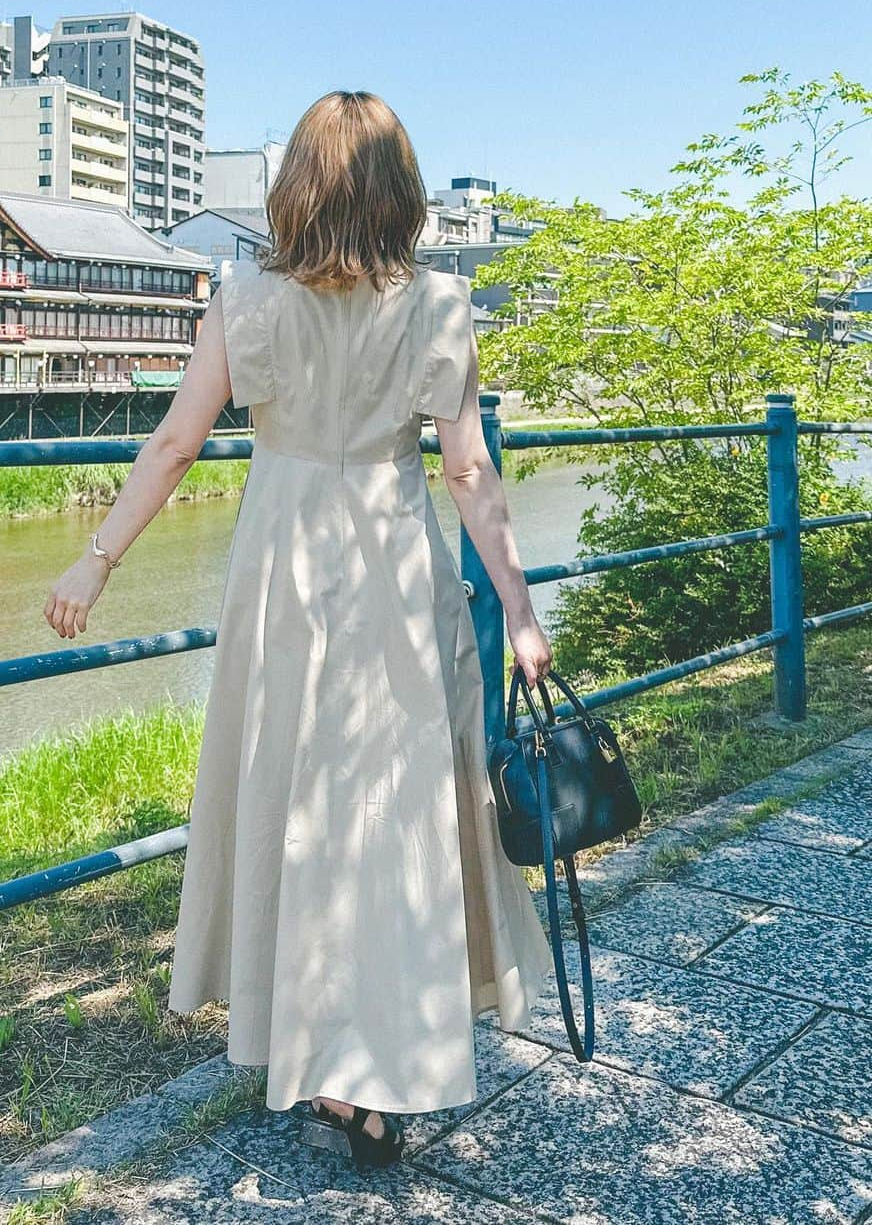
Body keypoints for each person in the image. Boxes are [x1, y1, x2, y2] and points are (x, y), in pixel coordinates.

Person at [44, 90, 554, 1170]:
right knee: (399, 812)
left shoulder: (242, 299)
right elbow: (467, 472)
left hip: (285, 577)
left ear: (295, 189)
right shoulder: (439, 305)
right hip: (396, 574)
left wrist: (95, 563)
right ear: (400, 193)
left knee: (297, 809)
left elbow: (178, 443)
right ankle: (391, 1068)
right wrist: (519, 610)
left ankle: (317, 1057)